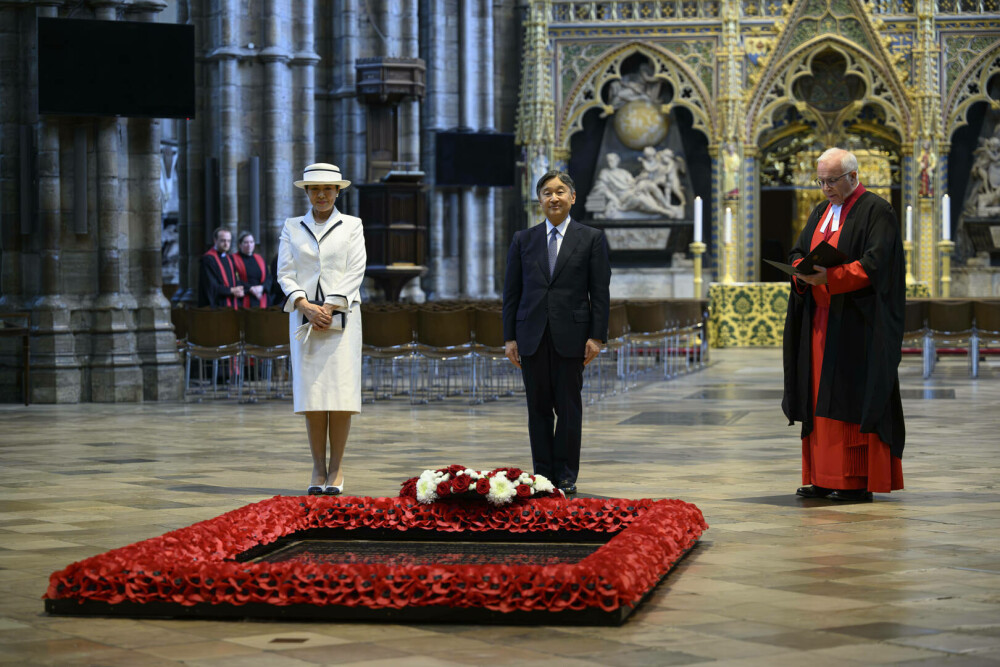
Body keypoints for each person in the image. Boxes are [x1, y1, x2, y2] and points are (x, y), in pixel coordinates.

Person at [782, 148, 905, 502]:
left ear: (852, 176)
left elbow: (877, 264)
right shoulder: (821, 211)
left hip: (855, 325)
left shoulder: (877, 210)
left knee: (847, 399)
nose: (825, 188)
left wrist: (831, 277)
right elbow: (798, 250)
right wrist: (800, 272)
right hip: (819, 324)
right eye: (820, 181)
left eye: (831, 181)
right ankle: (821, 477)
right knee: (817, 396)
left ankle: (853, 480)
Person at [502, 170, 612, 494]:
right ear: (539, 200)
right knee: (537, 409)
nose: (554, 198)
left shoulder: (591, 238)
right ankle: (543, 476)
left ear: (572, 197)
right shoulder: (523, 239)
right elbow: (511, 292)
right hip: (531, 335)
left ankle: (566, 475)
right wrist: (509, 337)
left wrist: (597, 336)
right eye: (547, 192)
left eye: (560, 191)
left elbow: (600, 291)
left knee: (567, 408)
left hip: (573, 336)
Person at [277, 163, 367, 496]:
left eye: (328, 188)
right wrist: (304, 305)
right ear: (306, 192)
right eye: (315, 189)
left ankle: (337, 467)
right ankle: (317, 466)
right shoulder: (291, 227)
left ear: (338, 192)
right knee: (313, 395)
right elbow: (285, 272)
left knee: (340, 395)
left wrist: (328, 306)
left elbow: (356, 269)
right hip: (304, 319)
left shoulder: (352, 225)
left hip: (342, 318)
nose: (322, 195)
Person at [198, 227, 243, 308]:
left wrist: (238, 289)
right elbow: (210, 285)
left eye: (228, 241)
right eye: (223, 240)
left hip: (230, 303)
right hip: (216, 305)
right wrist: (231, 290)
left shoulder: (229, 258)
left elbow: (235, 279)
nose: (226, 244)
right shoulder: (208, 259)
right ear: (215, 240)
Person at [232, 231, 270, 308]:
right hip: (243, 298)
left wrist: (262, 287)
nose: (249, 245)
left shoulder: (259, 258)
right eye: (246, 242)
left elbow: (268, 277)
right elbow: (234, 279)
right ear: (240, 244)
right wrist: (250, 288)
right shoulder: (233, 259)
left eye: (251, 242)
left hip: (260, 296)